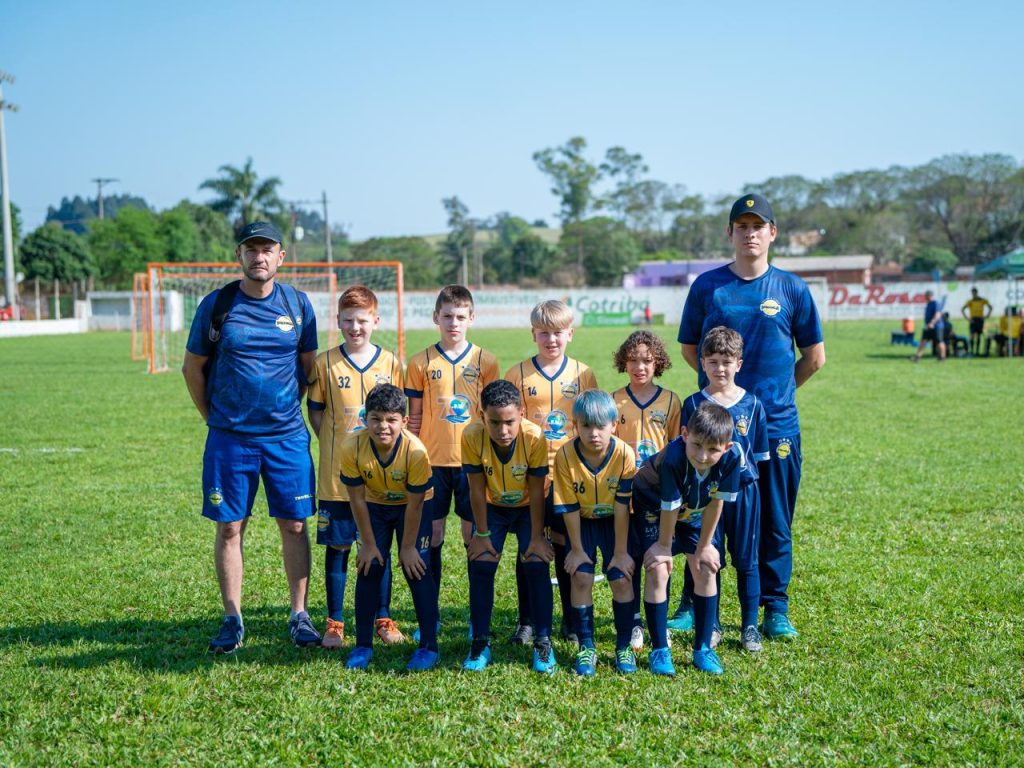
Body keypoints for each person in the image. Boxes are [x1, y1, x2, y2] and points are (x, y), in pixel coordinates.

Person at [679, 193, 825, 640]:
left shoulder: (792, 289)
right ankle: (693, 601)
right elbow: (689, 348)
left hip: (776, 426)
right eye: (741, 226)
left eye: (757, 226)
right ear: (730, 233)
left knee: (774, 518)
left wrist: (762, 404)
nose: (749, 234)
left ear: (772, 233)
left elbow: (814, 357)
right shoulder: (708, 287)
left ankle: (774, 608)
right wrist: (724, 397)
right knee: (703, 513)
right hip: (712, 430)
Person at [182, 221, 320, 654]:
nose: (259, 257)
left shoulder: (299, 305)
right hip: (230, 439)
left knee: (295, 525)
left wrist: (282, 410)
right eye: (251, 249)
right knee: (229, 528)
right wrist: (217, 419)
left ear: (282, 257)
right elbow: (192, 369)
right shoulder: (217, 305)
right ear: (239, 256)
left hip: (286, 438)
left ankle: (299, 615)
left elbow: (309, 368)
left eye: (268, 249)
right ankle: (232, 618)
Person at [306, 285, 404, 649]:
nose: (355, 327)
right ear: (338, 322)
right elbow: (316, 413)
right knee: (339, 548)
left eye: (362, 320)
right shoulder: (325, 363)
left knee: (378, 548)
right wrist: (337, 445)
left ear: (375, 321)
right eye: (348, 320)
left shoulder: (391, 363)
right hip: (336, 479)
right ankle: (335, 623)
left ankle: (383, 617)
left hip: (380, 479)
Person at [405, 285, 500, 638]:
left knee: (473, 536)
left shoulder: (486, 361)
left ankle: (476, 618)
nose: (453, 323)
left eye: (461, 317)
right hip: (431, 463)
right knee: (432, 535)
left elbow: (493, 417)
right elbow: (413, 419)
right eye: (447, 316)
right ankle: (431, 617)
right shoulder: (419, 362)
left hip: (472, 463)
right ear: (435, 318)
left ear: (471, 319)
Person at [505, 299, 599, 644]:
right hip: (531, 474)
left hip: (569, 474)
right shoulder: (517, 374)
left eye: (558, 333)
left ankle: (571, 619)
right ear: (534, 334)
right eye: (544, 333)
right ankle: (527, 620)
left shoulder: (583, 373)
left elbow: (592, 423)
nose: (551, 340)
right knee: (530, 546)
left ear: (570, 334)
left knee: (564, 545)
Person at [678, 326, 769, 653]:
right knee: (707, 559)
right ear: (702, 363)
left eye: (726, 361)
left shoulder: (754, 405)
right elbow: (687, 454)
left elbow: (759, 459)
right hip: (706, 495)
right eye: (713, 361)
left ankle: (749, 627)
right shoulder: (692, 404)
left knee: (746, 560)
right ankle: (712, 624)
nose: (720, 368)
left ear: (739, 364)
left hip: (744, 493)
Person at [638, 403, 743, 675]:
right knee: (658, 569)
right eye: (696, 445)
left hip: (693, 512)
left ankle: (702, 649)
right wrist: (663, 546)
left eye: (713, 450)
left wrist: (706, 546)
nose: (703, 456)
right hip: (655, 507)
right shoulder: (673, 458)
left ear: (727, 447)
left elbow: (716, 502)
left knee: (706, 566)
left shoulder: (733, 459)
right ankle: (660, 649)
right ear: (684, 434)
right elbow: (669, 506)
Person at [342, 384, 441, 672]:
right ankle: (362, 645)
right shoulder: (352, 447)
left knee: (417, 569)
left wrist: (408, 548)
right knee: (369, 566)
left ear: (404, 421)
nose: (383, 426)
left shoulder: (416, 452)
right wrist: (369, 545)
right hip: (374, 506)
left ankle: (429, 647)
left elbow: (415, 505)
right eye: (375, 418)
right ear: (365, 418)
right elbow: (357, 500)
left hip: (414, 508)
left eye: (391, 419)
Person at [461, 380, 557, 674]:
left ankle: (543, 642)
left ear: (522, 414)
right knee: (481, 562)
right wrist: (482, 533)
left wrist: (538, 536)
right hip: (494, 507)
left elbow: (537, 489)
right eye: (494, 422)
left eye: (510, 422)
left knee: (536, 562)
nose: (503, 431)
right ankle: (480, 642)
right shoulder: (471, 436)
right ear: (481, 415)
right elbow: (476, 490)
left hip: (529, 507)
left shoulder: (534, 436)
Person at [553, 389, 638, 675]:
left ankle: (623, 646)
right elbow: (569, 507)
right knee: (581, 576)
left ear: (614, 425)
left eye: (601, 426)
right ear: (575, 426)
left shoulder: (625, 453)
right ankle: (586, 647)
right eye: (586, 426)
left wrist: (622, 552)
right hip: (583, 522)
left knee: (622, 578)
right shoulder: (565, 454)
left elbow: (623, 506)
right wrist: (576, 550)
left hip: (615, 522)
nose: (594, 433)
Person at [610, 330, 681, 652]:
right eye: (634, 360)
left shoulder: (670, 401)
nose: (640, 367)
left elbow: (677, 449)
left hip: (656, 493)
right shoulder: (614, 400)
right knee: (631, 560)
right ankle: (635, 622)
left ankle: (658, 624)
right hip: (625, 493)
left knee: (658, 562)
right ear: (624, 362)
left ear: (658, 363)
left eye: (647, 361)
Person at [911, 290, 947, 362]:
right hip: (928, 326)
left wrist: (932, 323)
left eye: (926, 296)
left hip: (936, 326)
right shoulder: (928, 304)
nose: (925, 298)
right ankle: (917, 357)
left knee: (939, 342)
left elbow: (938, 314)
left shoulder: (936, 303)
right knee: (923, 341)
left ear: (930, 296)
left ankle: (942, 357)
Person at [961, 287, 993, 357]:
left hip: (980, 319)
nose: (973, 294)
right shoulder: (970, 301)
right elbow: (962, 309)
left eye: (974, 293)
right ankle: (972, 351)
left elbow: (990, 307)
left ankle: (977, 351)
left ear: (976, 293)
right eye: (972, 293)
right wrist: (967, 318)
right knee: (972, 335)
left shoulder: (982, 300)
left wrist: (987, 316)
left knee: (979, 335)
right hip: (973, 319)